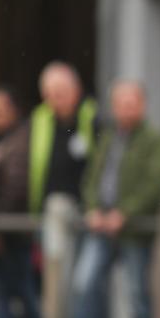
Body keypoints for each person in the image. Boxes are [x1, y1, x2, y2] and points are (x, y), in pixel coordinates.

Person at [69, 80, 160, 318]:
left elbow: (155, 184)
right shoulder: (108, 137)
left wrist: (125, 213)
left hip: (134, 229)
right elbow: (91, 179)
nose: (126, 109)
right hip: (100, 226)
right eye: (121, 104)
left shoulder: (153, 139)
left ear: (142, 105)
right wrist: (92, 209)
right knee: (84, 284)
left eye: (131, 103)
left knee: (136, 293)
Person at [0, 85, 37, 318]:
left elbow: (15, 188)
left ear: (14, 111)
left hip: (12, 229)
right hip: (0, 229)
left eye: (1, 110)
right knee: (4, 291)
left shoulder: (19, 140)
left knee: (18, 290)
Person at [29, 61, 97, 214]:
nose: (57, 99)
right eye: (51, 94)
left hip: (89, 206)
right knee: (57, 206)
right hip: (48, 206)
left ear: (77, 90)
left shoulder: (93, 118)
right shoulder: (37, 121)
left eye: (62, 92)